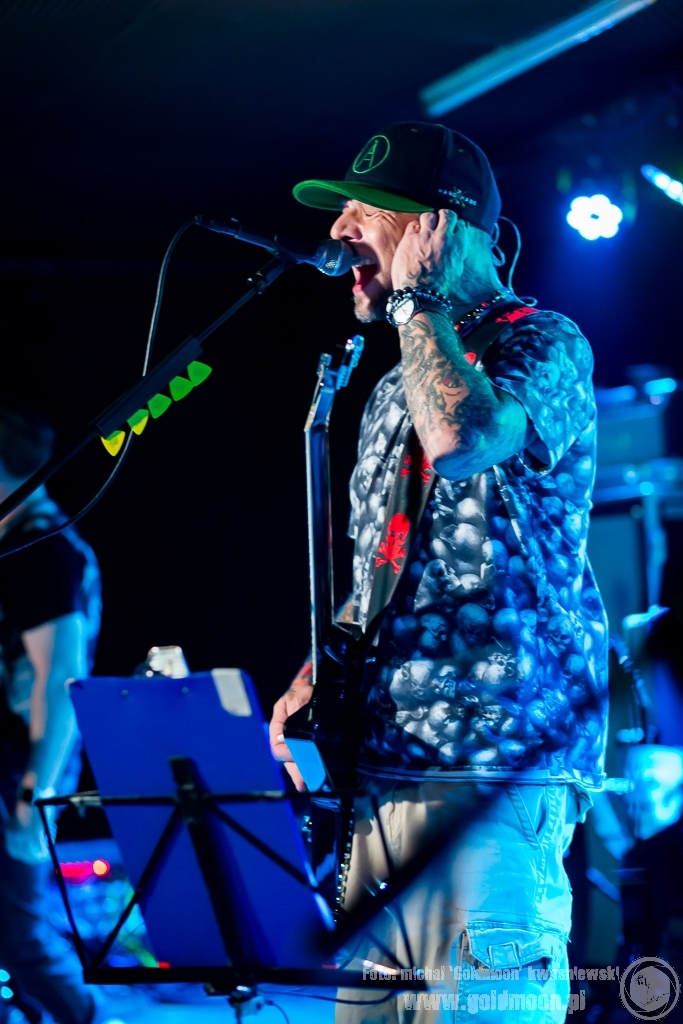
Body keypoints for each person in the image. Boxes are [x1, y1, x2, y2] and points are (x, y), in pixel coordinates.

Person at [269, 122, 609, 1022]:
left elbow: (462, 440)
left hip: (491, 782)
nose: (338, 231)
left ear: (437, 229)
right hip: (382, 785)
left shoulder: (546, 343)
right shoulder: (392, 388)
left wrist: (418, 303)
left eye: (363, 212)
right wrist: (317, 672)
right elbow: (383, 569)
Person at [0, 400, 103, 1024]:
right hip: (17, 763)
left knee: (19, 935)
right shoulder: (21, 540)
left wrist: (32, 794)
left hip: (19, 766)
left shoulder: (38, 548)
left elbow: (59, 681)